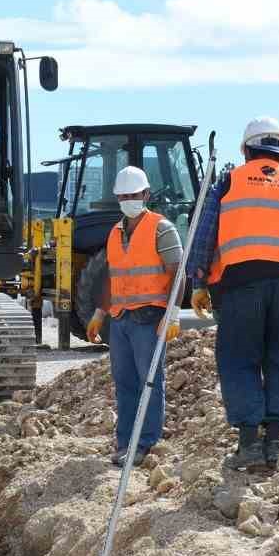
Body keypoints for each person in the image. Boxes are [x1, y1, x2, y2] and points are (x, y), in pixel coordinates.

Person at [186, 117, 279, 472]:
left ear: (245, 149)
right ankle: (275, 445)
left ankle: (249, 443)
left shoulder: (231, 180)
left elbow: (205, 232)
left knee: (240, 358)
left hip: (242, 284)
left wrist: (199, 282)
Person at [84, 165, 182, 466]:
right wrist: (100, 313)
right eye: (123, 196)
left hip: (150, 318)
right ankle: (125, 441)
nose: (129, 200)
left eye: (134, 195)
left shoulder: (162, 228)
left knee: (149, 382)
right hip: (121, 320)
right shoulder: (115, 233)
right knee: (125, 383)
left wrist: (173, 315)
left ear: (146, 194)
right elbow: (113, 278)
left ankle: (145, 443)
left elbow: (179, 272)